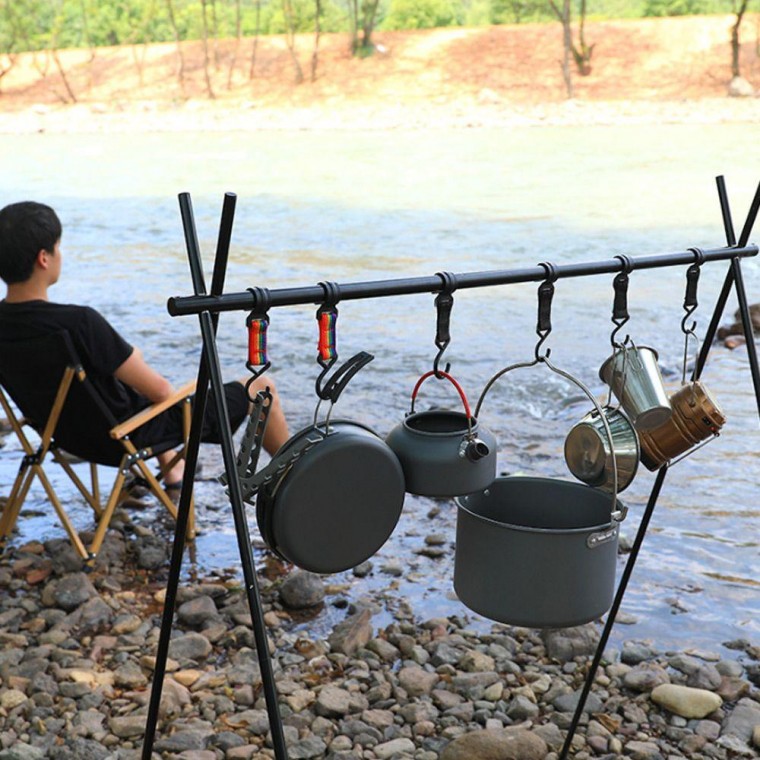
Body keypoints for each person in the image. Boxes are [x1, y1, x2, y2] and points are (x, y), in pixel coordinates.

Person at [0, 200, 289, 487]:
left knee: (117, 379)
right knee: (261, 389)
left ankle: (174, 471)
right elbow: (161, 391)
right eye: (57, 246)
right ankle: (297, 480)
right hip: (123, 440)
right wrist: (134, 357)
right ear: (44, 258)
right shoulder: (79, 322)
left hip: (69, 438)